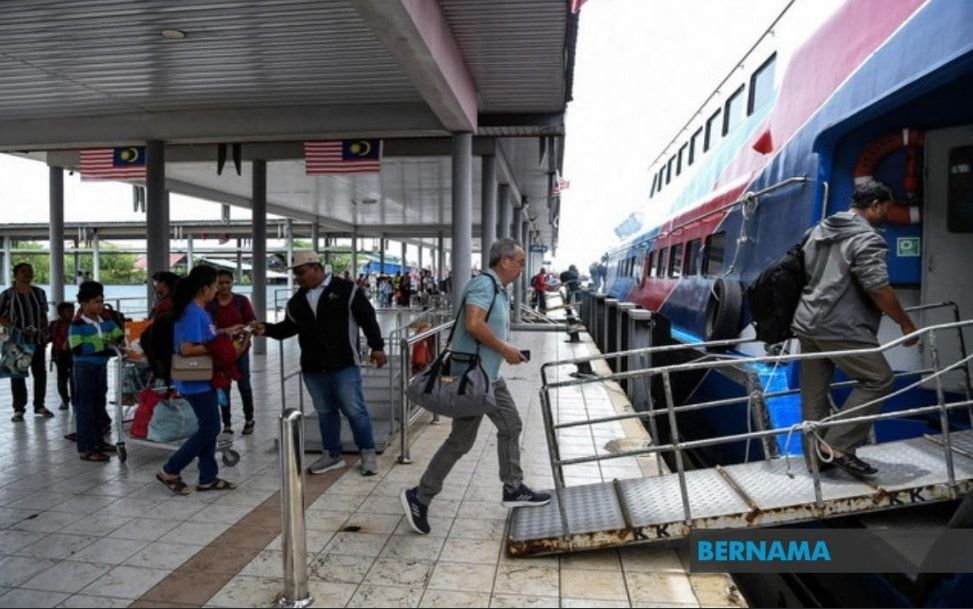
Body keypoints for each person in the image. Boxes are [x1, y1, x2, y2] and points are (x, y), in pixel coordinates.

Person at [400, 238, 551, 536]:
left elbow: (484, 328)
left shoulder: (497, 289)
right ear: (504, 261)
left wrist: (505, 351)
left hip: (488, 376)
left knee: (498, 429)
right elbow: (472, 323)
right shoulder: (484, 285)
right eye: (520, 262)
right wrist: (504, 348)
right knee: (476, 437)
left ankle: (510, 488)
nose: (523, 268)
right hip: (475, 380)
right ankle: (422, 495)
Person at [792, 180, 918, 478]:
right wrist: (905, 322)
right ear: (874, 206)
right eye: (886, 208)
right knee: (878, 379)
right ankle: (837, 446)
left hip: (807, 322)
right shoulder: (868, 238)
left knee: (814, 393)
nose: (887, 214)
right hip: (840, 326)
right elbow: (877, 287)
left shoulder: (819, 229)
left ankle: (815, 458)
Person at [256, 251, 387, 476]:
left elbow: (367, 317)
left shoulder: (346, 289)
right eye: (295, 274)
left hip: (344, 363)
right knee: (325, 411)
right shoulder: (297, 301)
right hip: (313, 366)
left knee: (355, 410)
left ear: (315, 268)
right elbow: (288, 328)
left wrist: (377, 347)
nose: (298, 278)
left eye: (301, 272)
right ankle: (332, 454)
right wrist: (265, 329)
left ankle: (367, 452)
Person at [157, 265, 241, 495]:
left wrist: (224, 334)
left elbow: (206, 337)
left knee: (209, 426)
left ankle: (208, 477)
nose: (217, 291)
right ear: (205, 289)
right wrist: (218, 347)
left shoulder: (198, 311)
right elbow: (186, 348)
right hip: (196, 380)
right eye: (214, 286)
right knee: (210, 427)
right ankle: (170, 469)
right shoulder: (193, 312)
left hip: (205, 379)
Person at [69, 282, 124, 462]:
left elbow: (118, 334)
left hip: (100, 367)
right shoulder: (76, 325)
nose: (100, 305)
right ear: (84, 304)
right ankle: (86, 448)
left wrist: (110, 341)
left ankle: (98, 441)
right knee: (85, 408)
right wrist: (104, 344)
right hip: (85, 370)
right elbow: (77, 348)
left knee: (98, 406)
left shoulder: (105, 320)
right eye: (95, 302)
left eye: (101, 301)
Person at [207, 269, 257, 435]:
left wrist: (244, 344)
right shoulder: (210, 304)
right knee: (223, 386)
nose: (224, 286)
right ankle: (227, 423)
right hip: (220, 351)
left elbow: (251, 323)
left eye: (228, 282)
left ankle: (249, 418)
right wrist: (225, 332)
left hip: (240, 350)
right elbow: (209, 328)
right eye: (220, 283)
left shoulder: (241, 301)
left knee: (244, 385)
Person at [0, 262, 52, 421]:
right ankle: (19, 409)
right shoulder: (8, 294)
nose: (27, 274)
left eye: (30, 271)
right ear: (16, 274)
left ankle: (40, 405)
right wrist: (16, 328)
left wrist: (44, 330)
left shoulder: (40, 293)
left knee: (40, 374)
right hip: (16, 340)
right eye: (23, 271)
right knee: (17, 375)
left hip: (37, 339)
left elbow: (43, 315)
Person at [49, 302, 76, 410]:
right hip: (59, 354)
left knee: (74, 379)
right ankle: (65, 399)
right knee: (61, 379)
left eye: (72, 311)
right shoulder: (54, 325)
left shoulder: (75, 324)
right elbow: (49, 337)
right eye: (69, 311)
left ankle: (75, 400)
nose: (72, 314)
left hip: (73, 353)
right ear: (60, 313)